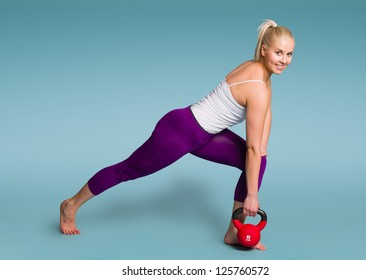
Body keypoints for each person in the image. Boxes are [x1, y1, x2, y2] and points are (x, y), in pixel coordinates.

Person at [60, 19, 295, 250]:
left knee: (258, 161)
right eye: (278, 53)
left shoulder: (258, 70)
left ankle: (234, 232)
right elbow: (252, 146)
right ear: (264, 50)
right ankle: (71, 205)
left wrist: (263, 147)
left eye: (289, 54)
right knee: (127, 170)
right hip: (179, 132)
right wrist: (252, 196)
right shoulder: (257, 87)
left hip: (204, 134)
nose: (283, 60)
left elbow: (266, 117)